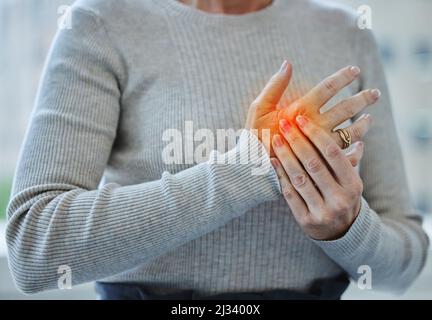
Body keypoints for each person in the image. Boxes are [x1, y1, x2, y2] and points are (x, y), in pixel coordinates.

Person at [6, 0, 428, 299]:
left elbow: (403, 268)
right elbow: (33, 248)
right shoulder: (100, 24)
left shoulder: (343, 32)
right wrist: (245, 171)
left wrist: (347, 228)